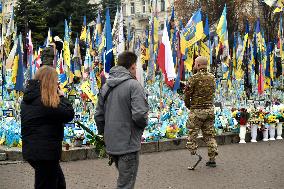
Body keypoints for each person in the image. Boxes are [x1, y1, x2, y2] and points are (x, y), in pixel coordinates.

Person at [95, 51, 149, 189]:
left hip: (112, 143)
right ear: (132, 66)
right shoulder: (134, 85)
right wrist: (140, 128)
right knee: (125, 184)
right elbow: (140, 115)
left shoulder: (106, 86)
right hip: (128, 143)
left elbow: (99, 116)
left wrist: (106, 134)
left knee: (123, 180)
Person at [21, 66, 75, 189]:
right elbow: (68, 114)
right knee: (48, 185)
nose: (58, 85)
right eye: (57, 82)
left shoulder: (29, 98)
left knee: (58, 183)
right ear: (50, 82)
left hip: (33, 150)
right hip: (46, 152)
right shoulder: (45, 101)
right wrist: (62, 97)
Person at [184, 56, 218, 168]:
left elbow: (187, 95)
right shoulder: (212, 77)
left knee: (192, 135)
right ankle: (212, 159)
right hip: (210, 110)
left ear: (198, 65)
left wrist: (189, 106)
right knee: (209, 135)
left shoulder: (194, 78)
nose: (194, 65)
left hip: (197, 111)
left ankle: (195, 155)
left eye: (194, 63)